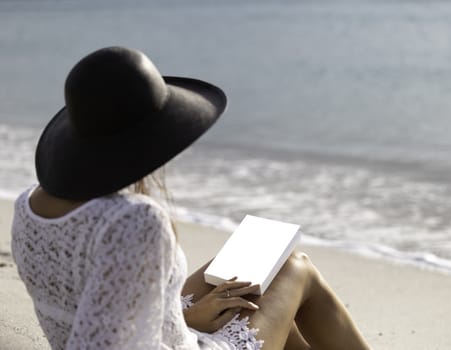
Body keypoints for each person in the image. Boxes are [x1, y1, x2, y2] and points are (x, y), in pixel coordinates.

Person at [11, 46, 371, 350]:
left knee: (261, 274)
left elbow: (102, 310)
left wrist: (185, 317)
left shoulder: (29, 205)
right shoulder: (132, 220)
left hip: (162, 333)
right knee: (297, 268)